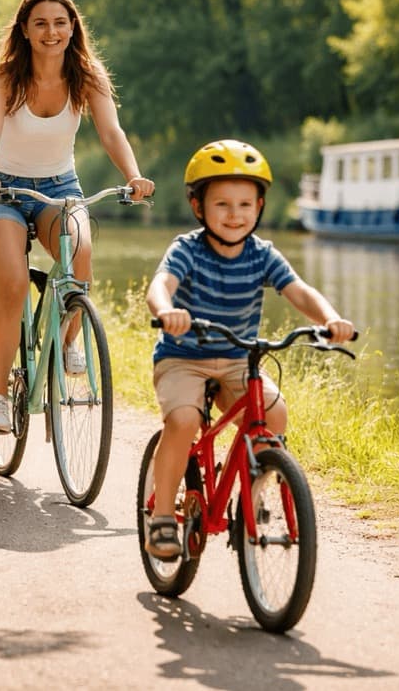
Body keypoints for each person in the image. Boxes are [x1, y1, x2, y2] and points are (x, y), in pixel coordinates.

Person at [144, 139, 355, 560]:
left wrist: (329, 319)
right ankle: (163, 514)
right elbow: (160, 285)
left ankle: (255, 487)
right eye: (222, 204)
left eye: (245, 204)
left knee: (273, 412)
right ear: (198, 207)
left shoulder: (262, 255)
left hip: (239, 359)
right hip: (184, 357)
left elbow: (299, 292)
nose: (234, 214)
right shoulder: (188, 249)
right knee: (184, 420)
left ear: (259, 207)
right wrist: (167, 311)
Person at [0, 0, 155, 434]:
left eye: (59, 22)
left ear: (73, 27)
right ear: (26, 30)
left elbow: (112, 133)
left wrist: (133, 175)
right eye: (41, 24)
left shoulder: (88, 76)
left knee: (80, 257)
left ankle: (70, 340)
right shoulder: (3, 76)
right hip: (3, 190)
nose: (51, 31)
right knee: (12, 283)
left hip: (60, 186)